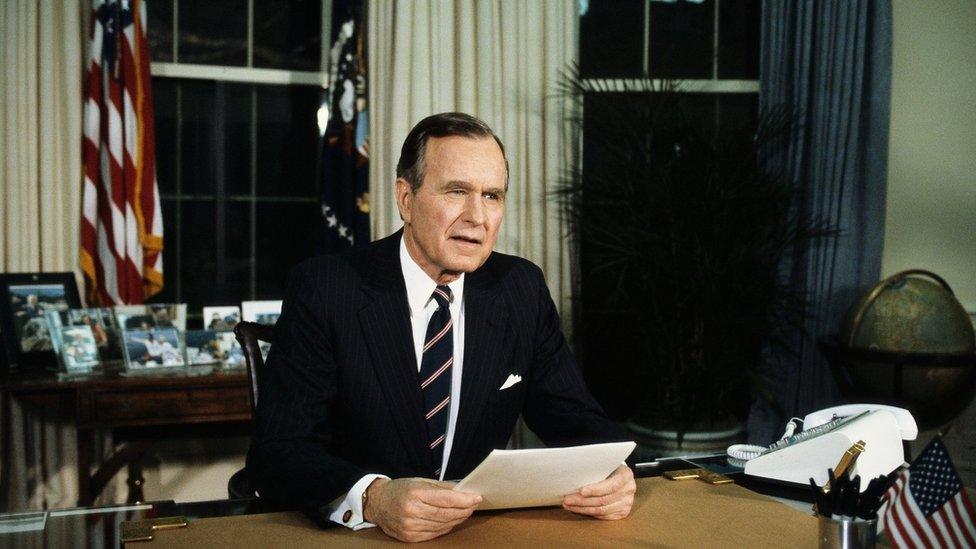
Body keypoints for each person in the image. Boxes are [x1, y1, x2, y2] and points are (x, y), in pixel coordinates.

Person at [247, 113, 636, 543]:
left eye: (492, 196)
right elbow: (279, 451)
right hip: (359, 534)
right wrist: (374, 497)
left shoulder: (519, 288)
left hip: (475, 535)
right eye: (457, 191)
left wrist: (613, 471)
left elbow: (575, 418)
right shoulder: (327, 288)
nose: (477, 216)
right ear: (406, 199)